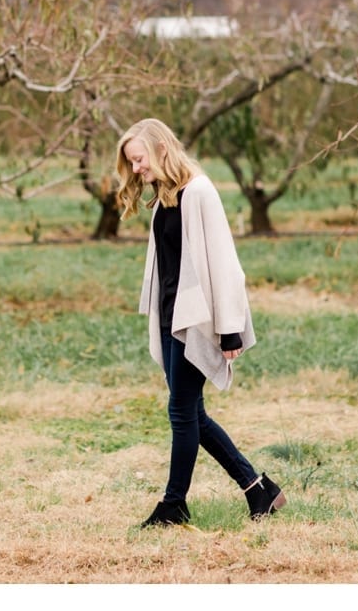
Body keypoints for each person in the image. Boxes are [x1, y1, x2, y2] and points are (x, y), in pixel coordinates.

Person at [115, 118, 285, 527]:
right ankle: (259, 489)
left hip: (199, 320)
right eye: (132, 163)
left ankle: (174, 504)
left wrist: (229, 328)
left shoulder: (199, 192)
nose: (136, 169)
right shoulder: (167, 196)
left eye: (139, 159)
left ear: (160, 148)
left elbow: (225, 266)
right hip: (172, 318)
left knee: (181, 410)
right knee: (193, 413)